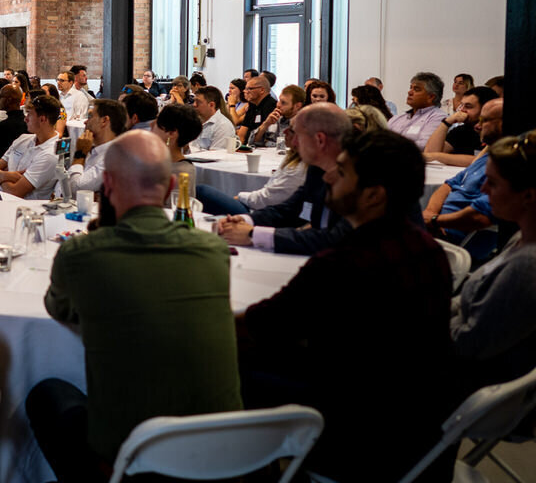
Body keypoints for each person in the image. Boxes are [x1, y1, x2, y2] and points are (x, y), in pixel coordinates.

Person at [238, 130, 453, 483]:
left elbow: (257, 329)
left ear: (373, 195)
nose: (328, 177)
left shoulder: (343, 265)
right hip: (420, 432)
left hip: (353, 440)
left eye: (342, 171)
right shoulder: (429, 252)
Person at [27, 131, 242, 481]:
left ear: (106, 184)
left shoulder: (83, 254)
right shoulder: (213, 250)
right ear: (172, 183)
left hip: (133, 459)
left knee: (46, 394)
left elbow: (59, 309)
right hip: (227, 455)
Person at [451, 130, 536, 391]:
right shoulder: (523, 237)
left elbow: (469, 344)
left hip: (468, 382)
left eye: (493, 183)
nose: (484, 190)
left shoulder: (526, 265)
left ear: (528, 196)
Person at [217, 103, 352, 255]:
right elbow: (288, 209)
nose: (293, 143)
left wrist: (253, 234)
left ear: (320, 140)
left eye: (296, 135)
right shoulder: (317, 170)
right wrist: (245, 220)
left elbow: (336, 240)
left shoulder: (358, 178)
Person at [423, 98, 504, 251]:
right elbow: (448, 185)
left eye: (484, 120)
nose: (478, 126)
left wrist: (435, 220)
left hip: (455, 242)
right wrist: (430, 213)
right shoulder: (487, 157)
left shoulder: (506, 166)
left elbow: (479, 217)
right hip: (439, 229)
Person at [197, 123, 308, 217]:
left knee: (202, 191)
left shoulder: (298, 169)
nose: (284, 132)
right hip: (262, 209)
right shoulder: (294, 162)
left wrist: (240, 197)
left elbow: (266, 200)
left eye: (291, 130)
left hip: (260, 214)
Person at [0, 94, 61, 199]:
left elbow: (15, 192)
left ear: (42, 119)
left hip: (16, 208)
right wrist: (8, 176)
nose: (25, 119)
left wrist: (1, 176)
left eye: (29, 115)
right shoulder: (23, 139)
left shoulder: (50, 154)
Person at [424, 85, 499, 166]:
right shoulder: (461, 130)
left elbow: (483, 161)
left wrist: (438, 157)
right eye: (462, 105)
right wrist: (446, 123)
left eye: (468, 106)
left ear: (485, 108)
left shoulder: (495, 131)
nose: (462, 110)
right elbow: (429, 154)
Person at [66, 98, 126, 195]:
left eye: (90, 116)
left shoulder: (113, 158)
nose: (85, 122)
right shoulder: (94, 149)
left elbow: (74, 189)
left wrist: (80, 154)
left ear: (104, 121)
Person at [152, 103, 203, 199]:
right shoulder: (158, 161)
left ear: (171, 133)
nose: (152, 124)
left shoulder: (181, 172)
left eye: (158, 122)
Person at [388, 72, 447, 148]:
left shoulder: (438, 117)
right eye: (410, 88)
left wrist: (390, 146)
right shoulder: (397, 118)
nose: (410, 92)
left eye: (416, 89)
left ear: (431, 97)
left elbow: (425, 145)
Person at [189, 85, 237, 152]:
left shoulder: (223, 126)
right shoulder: (195, 121)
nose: (194, 105)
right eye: (194, 101)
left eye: (198, 102)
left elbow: (215, 156)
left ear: (211, 105)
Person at [236, 75, 276, 145]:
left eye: (249, 89)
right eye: (245, 89)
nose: (245, 92)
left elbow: (263, 137)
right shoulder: (252, 105)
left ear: (262, 90)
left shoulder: (272, 106)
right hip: (248, 147)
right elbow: (242, 134)